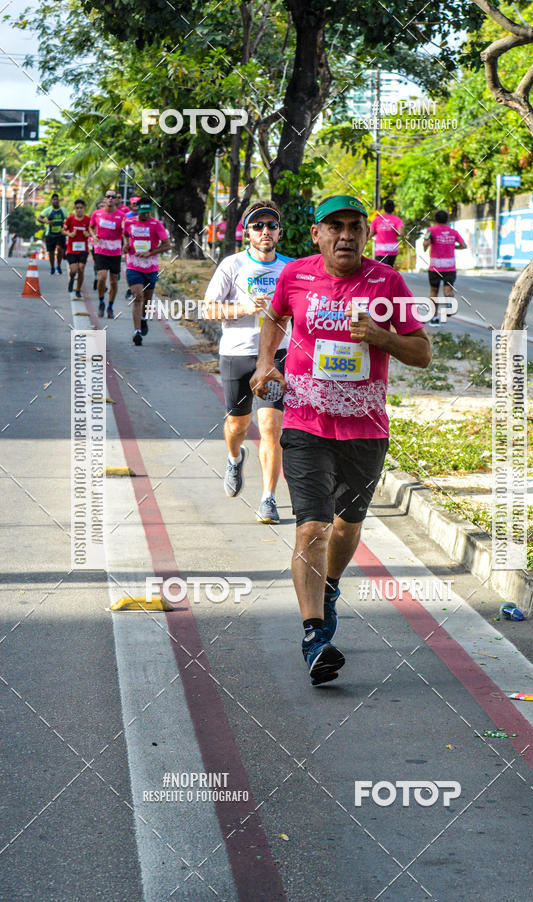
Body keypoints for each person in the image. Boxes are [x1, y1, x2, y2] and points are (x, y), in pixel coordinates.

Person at [250, 194, 431, 685]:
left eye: (355, 227)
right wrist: (267, 362)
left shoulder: (387, 282)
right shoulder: (295, 275)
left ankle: (329, 587)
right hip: (305, 423)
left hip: (365, 429)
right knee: (311, 527)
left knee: (347, 525)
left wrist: (382, 337)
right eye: (335, 227)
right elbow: (273, 317)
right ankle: (315, 637)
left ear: (366, 235)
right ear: (317, 235)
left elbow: (422, 353)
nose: (346, 235)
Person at [203, 200, 293, 524]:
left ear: (279, 231)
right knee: (238, 426)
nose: (265, 231)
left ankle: (268, 498)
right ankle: (233, 456)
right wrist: (245, 309)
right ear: (248, 233)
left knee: (270, 426)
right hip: (237, 353)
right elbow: (208, 310)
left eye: (271, 225)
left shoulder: (291, 268)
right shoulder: (232, 266)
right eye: (258, 226)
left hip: (277, 355)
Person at [122, 197, 171, 345]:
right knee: (138, 296)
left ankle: (143, 319)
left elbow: (167, 245)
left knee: (147, 300)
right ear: (138, 209)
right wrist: (126, 245)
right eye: (141, 212)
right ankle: (137, 332)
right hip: (133, 264)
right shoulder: (130, 222)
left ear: (150, 210)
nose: (144, 215)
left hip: (150, 266)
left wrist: (150, 252)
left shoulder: (156, 225)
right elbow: (125, 234)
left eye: (147, 212)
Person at [423, 210, 466, 326]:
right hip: (450, 267)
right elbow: (464, 245)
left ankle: (434, 317)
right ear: (447, 220)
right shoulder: (453, 232)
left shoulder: (430, 231)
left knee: (433, 292)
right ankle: (449, 303)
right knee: (448, 290)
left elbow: (425, 244)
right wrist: (453, 246)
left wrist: (426, 246)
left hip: (435, 267)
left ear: (435, 220)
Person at [89, 189, 125, 318]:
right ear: (104, 199)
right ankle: (101, 302)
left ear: (116, 200)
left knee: (114, 281)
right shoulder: (97, 214)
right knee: (102, 277)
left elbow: (125, 232)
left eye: (113, 197)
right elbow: (91, 227)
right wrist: (94, 236)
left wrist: (125, 237)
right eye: (108, 196)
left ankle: (110, 306)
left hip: (115, 251)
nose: (110, 199)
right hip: (100, 249)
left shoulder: (121, 216)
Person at [63, 199, 91, 297]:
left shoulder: (88, 220)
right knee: (74, 270)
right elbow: (63, 230)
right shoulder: (70, 219)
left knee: (81, 269)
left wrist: (88, 234)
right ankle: (71, 280)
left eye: (81, 208)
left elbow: (92, 232)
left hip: (83, 249)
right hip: (71, 249)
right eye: (77, 208)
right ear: (75, 209)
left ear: (84, 209)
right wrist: (69, 234)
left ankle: (78, 289)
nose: (79, 210)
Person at [37, 193, 68, 274]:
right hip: (50, 234)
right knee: (51, 252)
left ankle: (58, 266)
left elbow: (68, 220)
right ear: (51, 201)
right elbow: (39, 218)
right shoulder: (48, 210)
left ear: (58, 201)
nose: (55, 201)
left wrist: (65, 225)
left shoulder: (63, 210)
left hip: (61, 234)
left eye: (57, 199)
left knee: (60, 249)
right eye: (53, 199)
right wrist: (46, 221)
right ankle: (52, 267)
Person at [370, 199, 404, 267]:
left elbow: (370, 234)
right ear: (393, 209)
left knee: (380, 270)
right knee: (389, 269)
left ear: (384, 208)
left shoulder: (377, 219)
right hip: (392, 249)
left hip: (380, 250)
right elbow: (401, 233)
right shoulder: (397, 220)